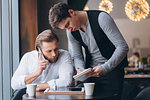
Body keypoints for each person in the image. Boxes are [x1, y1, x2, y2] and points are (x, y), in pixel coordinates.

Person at [49, 3, 128, 99]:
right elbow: (77, 56)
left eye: (68, 24)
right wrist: (80, 70)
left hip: (112, 72)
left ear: (71, 12)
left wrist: (104, 68)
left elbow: (122, 46)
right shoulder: (71, 32)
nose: (69, 30)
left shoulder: (101, 18)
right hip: (90, 75)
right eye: (65, 28)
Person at [11, 29, 74, 100]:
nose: (54, 54)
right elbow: (14, 84)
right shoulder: (28, 57)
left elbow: (66, 81)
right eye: (49, 51)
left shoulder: (64, 55)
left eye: (56, 49)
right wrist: (36, 73)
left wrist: (38, 87)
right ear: (39, 50)